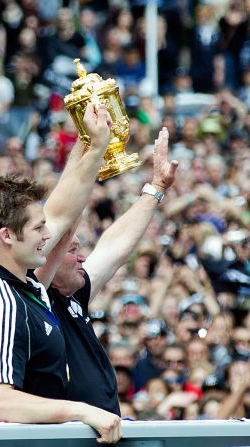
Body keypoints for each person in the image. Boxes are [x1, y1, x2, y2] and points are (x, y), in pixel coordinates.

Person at [0, 101, 122, 444]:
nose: (49, 235)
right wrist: (80, 411)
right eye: (38, 229)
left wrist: (91, 144)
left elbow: (61, 208)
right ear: (8, 236)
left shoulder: (9, 276)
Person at [37, 128, 178, 415]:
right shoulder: (34, 294)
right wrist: (88, 145)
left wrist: (155, 189)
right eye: (72, 249)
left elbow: (113, 249)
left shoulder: (73, 296)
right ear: (47, 252)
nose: (83, 257)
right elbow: (58, 220)